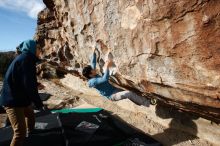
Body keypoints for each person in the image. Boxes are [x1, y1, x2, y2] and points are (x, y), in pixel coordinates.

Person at [0, 39, 44, 146]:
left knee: (31, 115)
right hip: (13, 101)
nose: (40, 51)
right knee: (20, 132)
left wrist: (36, 84)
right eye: (38, 48)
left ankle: (31, 133)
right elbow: (29, 85)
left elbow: (24, 79)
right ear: (32, 48)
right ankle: (26, 134)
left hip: (19, 97)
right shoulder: (26, 59)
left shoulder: (25, 58)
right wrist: (38, 103)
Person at [82, 48, 150, 107]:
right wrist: (108, 67)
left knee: (132, 93)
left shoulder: (92, 74)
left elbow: (92, 63)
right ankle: (148, 103)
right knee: (129, 94)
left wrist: (93, 51)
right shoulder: (92, 81)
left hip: (114, 89)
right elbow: (104, 79)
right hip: (112, 95)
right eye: (92, 70)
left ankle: (143, 101)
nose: (94, 69)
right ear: (90, 74)